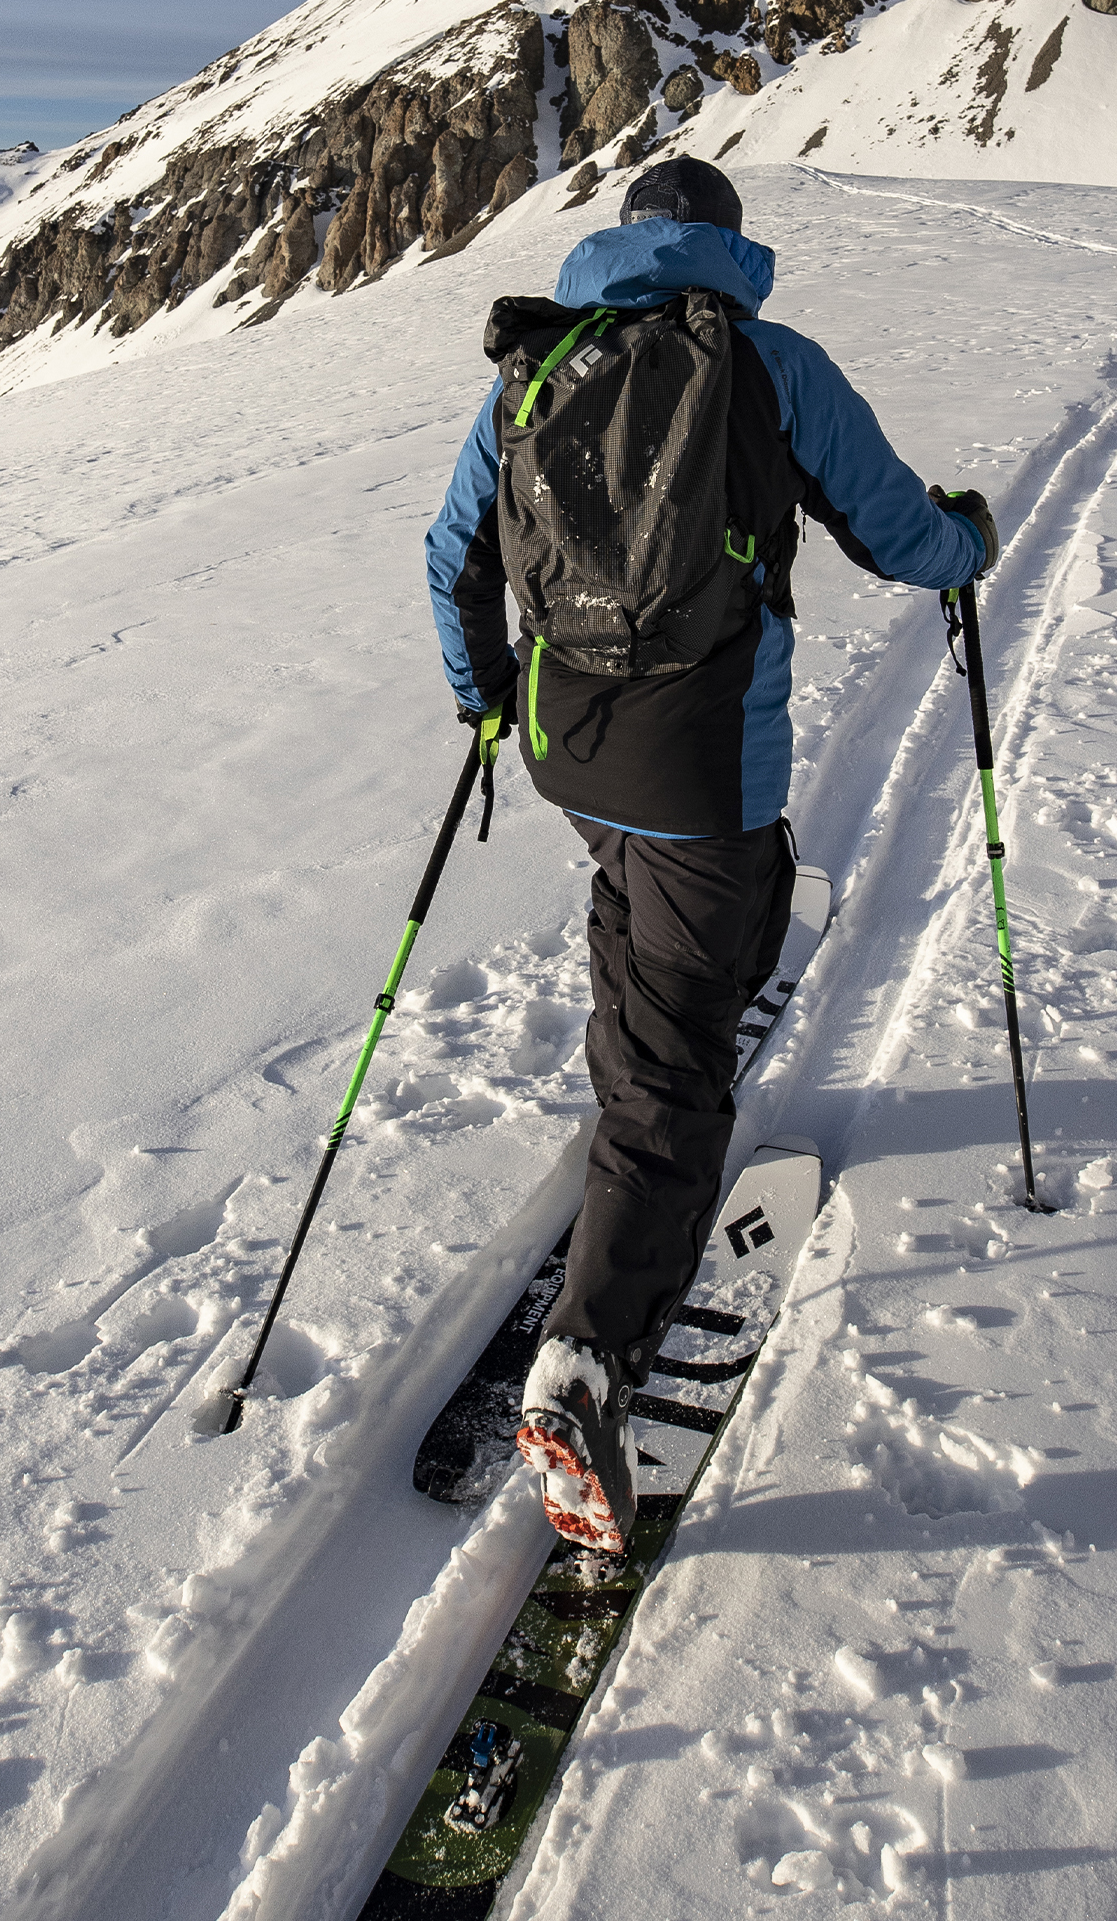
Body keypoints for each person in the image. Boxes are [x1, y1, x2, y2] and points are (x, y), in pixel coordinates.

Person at [422, 157, 996, 1553]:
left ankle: (640, 1026)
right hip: (701, 769)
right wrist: (969, 535)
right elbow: (900, 536)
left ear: (617, 244)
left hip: (569, 744)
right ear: (727, 249)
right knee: (681, 1068)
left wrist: (484, 694)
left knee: (664, 902)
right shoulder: (766, 362)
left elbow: (454, 558)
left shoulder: (535, 365)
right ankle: (590, 1360)